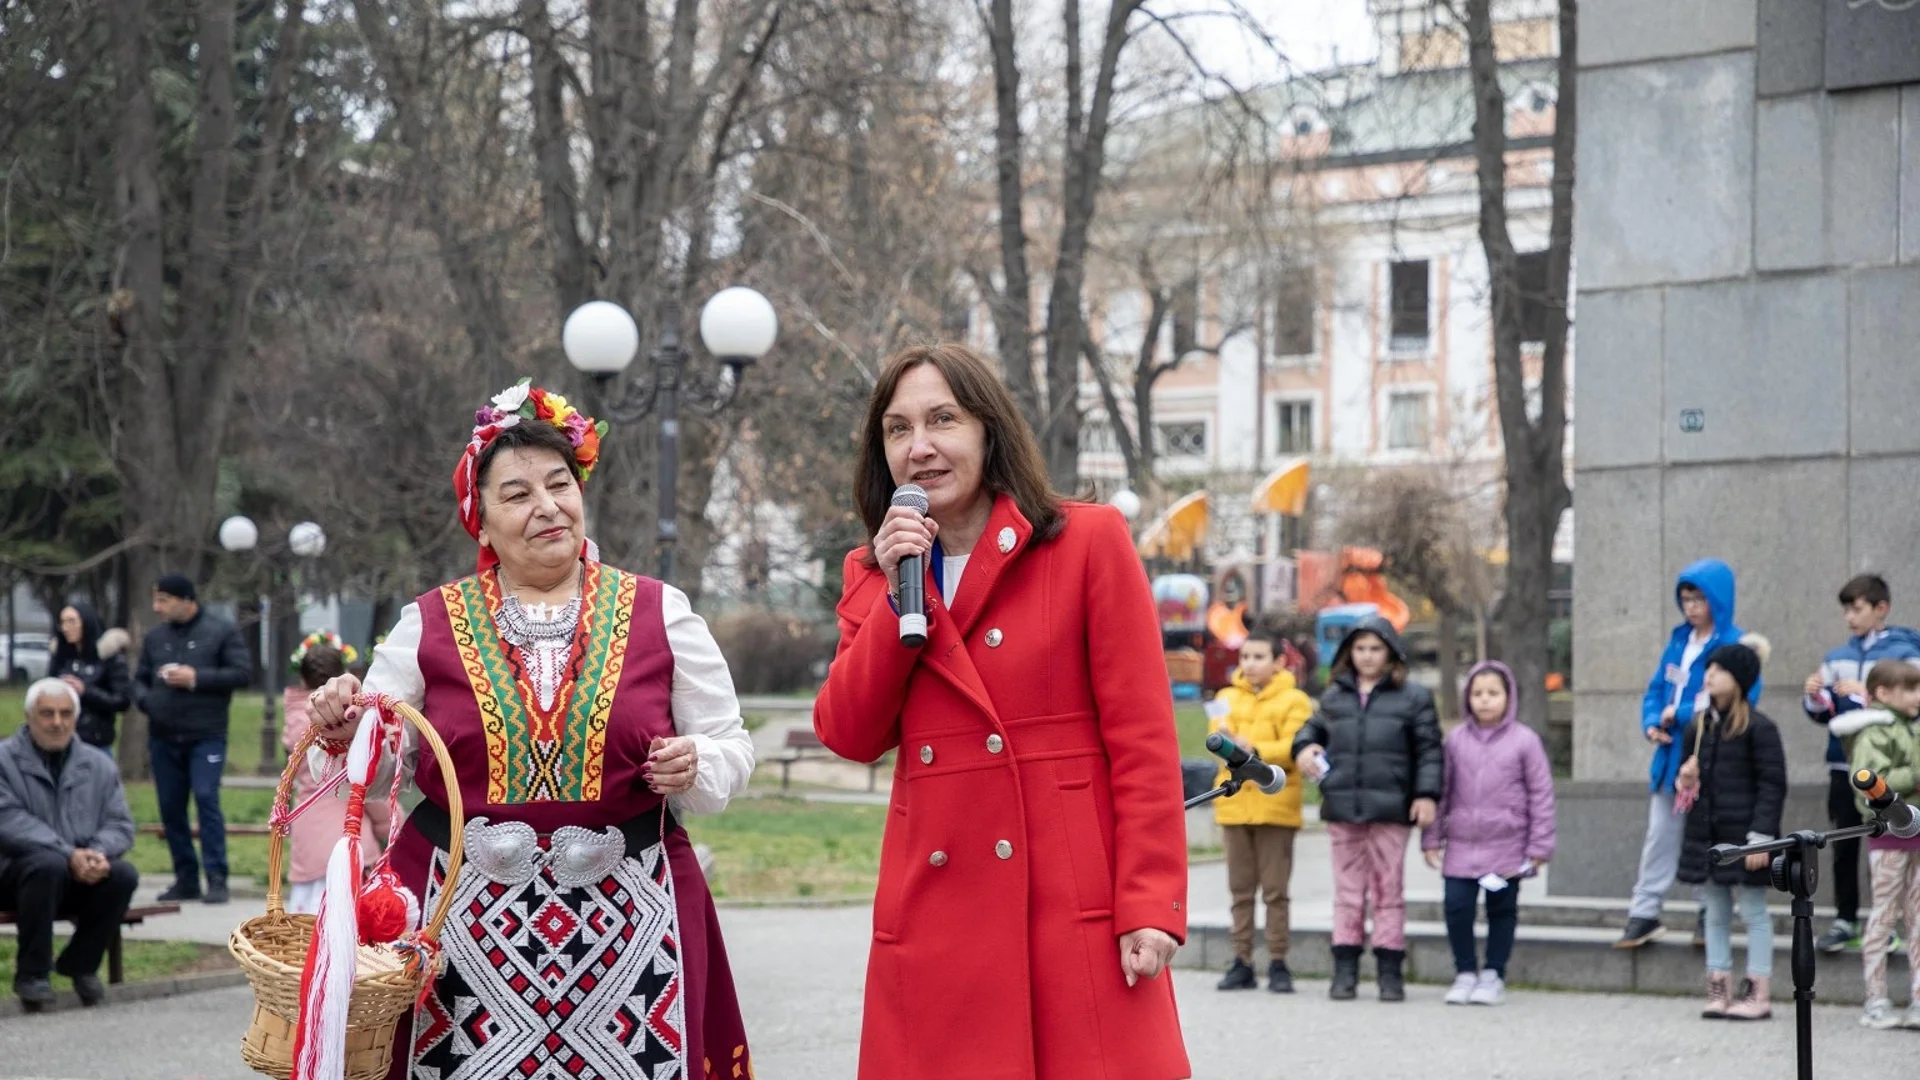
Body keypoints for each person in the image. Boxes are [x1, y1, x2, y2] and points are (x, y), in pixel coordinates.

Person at [306, 378, 757, 1080]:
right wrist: (341, 730)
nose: (547, 507)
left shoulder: (661, 611)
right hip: (458, 934)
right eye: (517, 495)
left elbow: (731, 745)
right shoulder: (428, 622)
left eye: (560, 485)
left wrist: (696, 762)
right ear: (479, 521)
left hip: (632, 930)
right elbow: (379, 769)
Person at [812, 344, 1191, 1080]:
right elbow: (850, 733)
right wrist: (897, 600)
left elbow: (1143, 742)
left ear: (989, 430)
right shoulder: (876, 571)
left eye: (943, 419)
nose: (920, 447)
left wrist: (1149, 901)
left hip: (1067, 903)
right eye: (897, 429)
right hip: (935, 910)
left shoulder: (1086, 541)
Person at [1293, 615, 1444, 1003]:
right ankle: (1344, 970)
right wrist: (1305, 747)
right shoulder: (1334, 697)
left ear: (1391, 653)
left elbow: (1429, 750)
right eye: (1360, 648)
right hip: (1343, 806)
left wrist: (1426, 795)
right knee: (1347, 892)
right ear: (1349, 653)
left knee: (1388, 891)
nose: (1367, 656)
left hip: (1391, 809)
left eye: (1376, 648)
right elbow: (1310, 731)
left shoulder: (1414, 698)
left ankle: (1389, 972)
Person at [1619, 559, 1758, 949]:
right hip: (1670, 760)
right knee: (1660, 836)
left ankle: (1708, 913)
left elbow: (1743, 698)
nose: (1691, 607)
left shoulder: (1735, 644)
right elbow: (1654, 690)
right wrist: (1651, 722)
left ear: (1718, 599)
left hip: (1712, 758)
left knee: (1706, 835)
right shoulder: (1678, 642)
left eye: (1699, 598)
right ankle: (1644, 912)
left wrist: (1678, 714)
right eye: (1685, 599)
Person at [0, 680, 138, 1011]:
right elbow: (8, 820)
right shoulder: (4, 760)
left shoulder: (98, 764)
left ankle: (81, 964)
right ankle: (32, 975)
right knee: (46, 865)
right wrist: (68, 854)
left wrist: (96, 854)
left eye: (65, 714)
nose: (57, 722)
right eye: (47, 714)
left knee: (122, 875)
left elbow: (120, 824)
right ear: (29, 716)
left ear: (76, 719)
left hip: (76, 872)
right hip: (14, 874)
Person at [1423, 661, 1555, 1006]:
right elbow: (1442, 790)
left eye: (1493, 693)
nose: (1485, 701)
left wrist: (1539, 844)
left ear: (1508, 697)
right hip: (1462, 847)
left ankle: (1493, 973)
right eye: (1478, 693)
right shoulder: (1454, 741)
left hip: (1506, 849)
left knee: (1501, 909)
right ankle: (1465, 972)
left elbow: (1541, 794)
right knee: (1457, 906)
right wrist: (1431, 837)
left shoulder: (1525, 741)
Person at [1804, 573, 1920, 954]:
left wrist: (1869, 697)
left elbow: (1911, 707)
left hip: (1890, 770)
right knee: (1843, 844)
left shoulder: (1906, 652)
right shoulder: (1837, 656)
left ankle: (1886, 922)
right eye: (1846, 610)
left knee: (1888, 846)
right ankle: (1846, 918)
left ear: (1880, 609)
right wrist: (1815, 697)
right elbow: (1826, 714)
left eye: (1857, 609)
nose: (1849, 618)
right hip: (1844, 766)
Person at [1673, 636, 1785, 1021]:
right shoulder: (1699, 726)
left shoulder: (1759, 728)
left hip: (1745, 837)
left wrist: (1761, 839)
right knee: (1714, 911)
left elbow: (1772, 785)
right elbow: (1687, 788)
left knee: (1753, 910)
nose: (1710, 675)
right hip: (1707, 836)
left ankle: (1758, 991)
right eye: (1709, 668)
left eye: (1719, 669)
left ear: (1739, 678)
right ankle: (1717, 986)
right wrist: (1684, 780)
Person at [133, 573, 252, 905]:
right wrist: (147, 702)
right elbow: (140, 678)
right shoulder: (156, 638)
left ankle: (217, 878)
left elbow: (242, 673)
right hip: (163, 736)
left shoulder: (220, 631)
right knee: (171, 808)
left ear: (187, 600)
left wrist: (196, 678)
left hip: (206, 735)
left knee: (205, 798)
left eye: (164, 600)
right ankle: (185, 878)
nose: (157, 607)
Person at [1210, 628, 1314, 994]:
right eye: (1245, 657)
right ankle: (1241, 960)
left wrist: (1254, 746)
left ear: (1279, 662)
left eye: (1259, 657)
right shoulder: (1225, 697)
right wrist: (1229, 744)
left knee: (1274, 891)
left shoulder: (1296, 701)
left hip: (1275, 806)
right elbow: (1217, 737)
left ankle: (1278, 961)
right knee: (1240, 891)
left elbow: (1293, 746)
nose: (1250, 664)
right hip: (1235, 806)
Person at [1831, 659, 1920, 1029]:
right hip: (1888, 836)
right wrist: (1914, 774)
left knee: (1918, 918)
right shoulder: (1873, 730)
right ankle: (1876, 1000)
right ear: (1883, 693)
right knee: (1884, 915)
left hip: (1916, 830)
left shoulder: (1908, 729)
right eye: (1911, 688)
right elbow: (1868, 783)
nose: (1919, 696)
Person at [278, 631, 387, 915]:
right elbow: (365, 782)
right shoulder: (347, 725)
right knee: (350, 924)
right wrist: (388, 825)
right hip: (349, 833)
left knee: (308, 924)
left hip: (307, 828)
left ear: (302, 679)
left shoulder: (294, 722)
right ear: (343, 677)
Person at [49, 601, 132, 751]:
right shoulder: (61, 657)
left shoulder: (108, 656)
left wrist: (85, 691)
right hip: (62, 738)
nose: (66, 627)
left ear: (86, 622)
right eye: (63, 622)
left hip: (96, 740)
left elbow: (122, 700)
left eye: (72, 621)